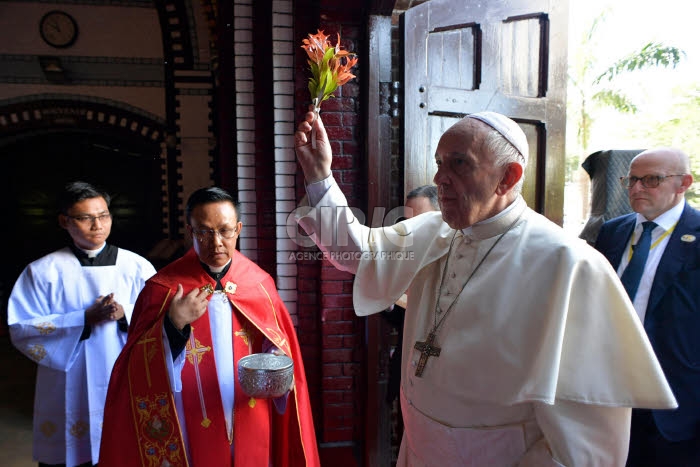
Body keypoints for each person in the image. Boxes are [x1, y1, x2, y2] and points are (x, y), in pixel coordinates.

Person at [293, 109, 678, 465]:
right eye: (439, 163)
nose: (441, 178)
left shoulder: (569, 265)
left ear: (508, 177)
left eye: (459, 163)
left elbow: (589, 439)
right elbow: (356, 251)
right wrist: (319, 176)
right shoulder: (432, 230)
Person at [99, 187, 319, 467]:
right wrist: (173, 324)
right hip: (190, 413)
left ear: (238, 229)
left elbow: (278, 342)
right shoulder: (163, 289)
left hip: (250, 408)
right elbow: (133, 367)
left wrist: (276, 360)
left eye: (225, 231)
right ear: (191, 232)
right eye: (204, 232)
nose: (216, 242)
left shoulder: (259, 284)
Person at [7, 181, 156, 467]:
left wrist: (125, 313)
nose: (97, 225)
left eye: (103, 215)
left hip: (123, 371)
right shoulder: (43, 271)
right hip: (69, 379)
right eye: (86, 218)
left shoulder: (136, 266)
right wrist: (83, 319)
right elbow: (22, 327)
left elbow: (159, 316)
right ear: (64, 221)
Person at [594, 147, 700, 466]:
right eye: (632, 180)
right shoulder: (614, 231)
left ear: (684, 183)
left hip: (677, 403)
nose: (637, 188)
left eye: (651, 180)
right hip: (612, 393)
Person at [383, 184, 440, 405]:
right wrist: (388, 300)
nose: (412, 229)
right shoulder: (404, 257)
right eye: (408, 222)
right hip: (407, 366)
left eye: (421, 221)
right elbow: (397, 319)